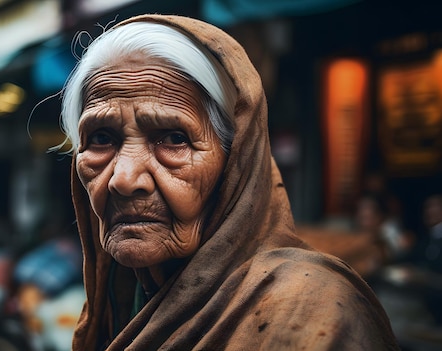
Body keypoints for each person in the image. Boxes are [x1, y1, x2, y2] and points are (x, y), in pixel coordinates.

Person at [57, 14, 399, 350]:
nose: (124, 179)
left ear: (235, 160)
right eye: (101, 138)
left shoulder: (312, 314)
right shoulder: (119, 302)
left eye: (174, 139)